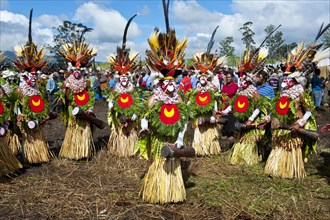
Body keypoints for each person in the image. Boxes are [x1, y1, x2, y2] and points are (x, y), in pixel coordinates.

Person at [106, 13, 143, 157]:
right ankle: (119, 148)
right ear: (118, 78)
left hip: (130, 116)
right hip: (119, 116)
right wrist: (111, 104)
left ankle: (130, 148)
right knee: (120, 128)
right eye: (122, 77)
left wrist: (134, 114)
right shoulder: (116, 89)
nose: (124, 80)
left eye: (126, 77)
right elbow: (111, 99)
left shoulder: (132, 88)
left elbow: (137, 102)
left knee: (131, 128)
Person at [57, 39, 99, 160]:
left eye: (79, 70)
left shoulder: (86, 83)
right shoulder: (66, 83)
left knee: (84, 128)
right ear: (71, 70)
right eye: (75, 70)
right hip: (73, 110)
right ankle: (73, 151)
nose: (77, 72)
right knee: (74, 128)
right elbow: (63, 97)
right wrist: (63, 99)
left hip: (85, 109)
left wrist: (90, 109)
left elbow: (91, 96)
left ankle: (84, 151)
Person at [220, 71, 238, 138]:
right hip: (224, 105)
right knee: (224, 119)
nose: (228, 78)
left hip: (230, 106)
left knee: (231, 120)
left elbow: (236, 96)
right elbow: (222, 94)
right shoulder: (224, 86)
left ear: (232, 78)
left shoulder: (235, 86)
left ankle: (231, 134)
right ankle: (225, 133)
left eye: (229, 77)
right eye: (227, 77)